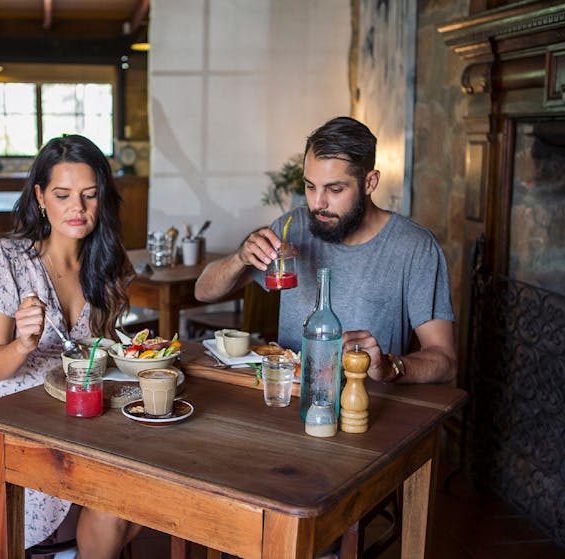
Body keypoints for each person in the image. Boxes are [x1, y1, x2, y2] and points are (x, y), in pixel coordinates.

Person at [0, 135, 141, 557]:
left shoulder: (108, 262)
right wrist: (23, 343)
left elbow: (103, 350)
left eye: (90, 196)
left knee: (149, 486)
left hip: (83, 414)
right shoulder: (7, 258)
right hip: (12, 419)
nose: (78, 208)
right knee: (118, 500)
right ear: (39, 197)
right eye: (63, 195)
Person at [195, 116, 457, 385]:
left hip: (366, 407)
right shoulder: (291, 227)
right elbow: (203, 291)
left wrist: (390, 366)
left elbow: (445, 361)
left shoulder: (414, 247)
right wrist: (240, 258)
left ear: (370, 183)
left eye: (335, 189)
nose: (317, 203)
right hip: (289, 396)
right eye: (310, 187)